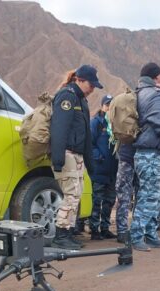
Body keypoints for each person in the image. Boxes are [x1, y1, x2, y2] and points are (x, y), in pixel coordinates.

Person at [50, 65, 102, 249]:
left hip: (77, 155)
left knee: (77, 194)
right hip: (67, 154)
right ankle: (60, 234)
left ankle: (69, 232)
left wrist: (89, 162)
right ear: (79, 80)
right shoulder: (67, 96)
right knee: (71, 194)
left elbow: (85, 134)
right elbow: (59, 128)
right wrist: (58, 158)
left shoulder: (81, 100)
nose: (93, 88)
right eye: (91, 84)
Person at [130, 62, 160, 251]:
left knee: (152, 194)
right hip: (150, 152)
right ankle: (136, 236)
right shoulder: (156, 95)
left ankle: (150, 234)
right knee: (149, 195)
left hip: (145, 152)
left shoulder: (140, 92)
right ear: (157, 77)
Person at [88, 95, 118, 240]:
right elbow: (90, 143)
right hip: (99, 169)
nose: (109, 108)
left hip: (113, 170)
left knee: (109, 200)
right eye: (107, 105)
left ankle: (105, 228)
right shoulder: (96, 123)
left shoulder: (116, 124)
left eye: (111, 105)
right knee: (97, 200)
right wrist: (99, 156)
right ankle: (94, 230)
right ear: (102, 106)